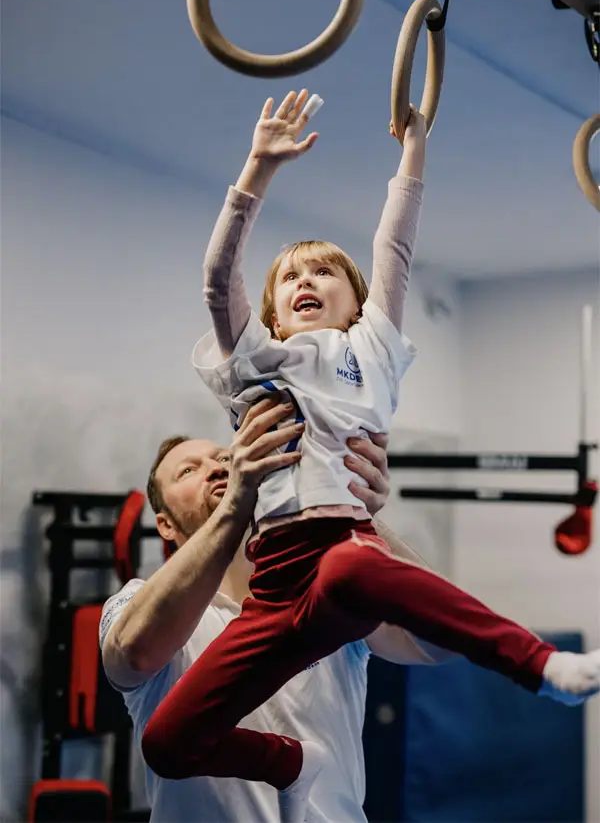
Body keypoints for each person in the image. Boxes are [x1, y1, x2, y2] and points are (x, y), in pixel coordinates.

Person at [140, 89, 600, 822]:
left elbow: (396, 247)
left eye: (323, 272)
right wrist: (256, 169)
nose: (303, 282)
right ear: (271, 311)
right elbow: (216, 276)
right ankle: (295, 763)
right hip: (273, 590)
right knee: (166, 740)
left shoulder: (371, 350)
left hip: (337, 553)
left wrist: (413, 150)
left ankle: (541, 663)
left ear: (356, 301)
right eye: (288, 277)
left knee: (357, 565)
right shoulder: (257, 360)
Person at [101, 398, 451, 822]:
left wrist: (349, 507)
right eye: (188, 471)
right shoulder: (136, 602)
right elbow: (132, 655)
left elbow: (443, 639)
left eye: (224, 458)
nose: (215, 468)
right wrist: (236, 503)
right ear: (165, 525)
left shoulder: (323, 589)